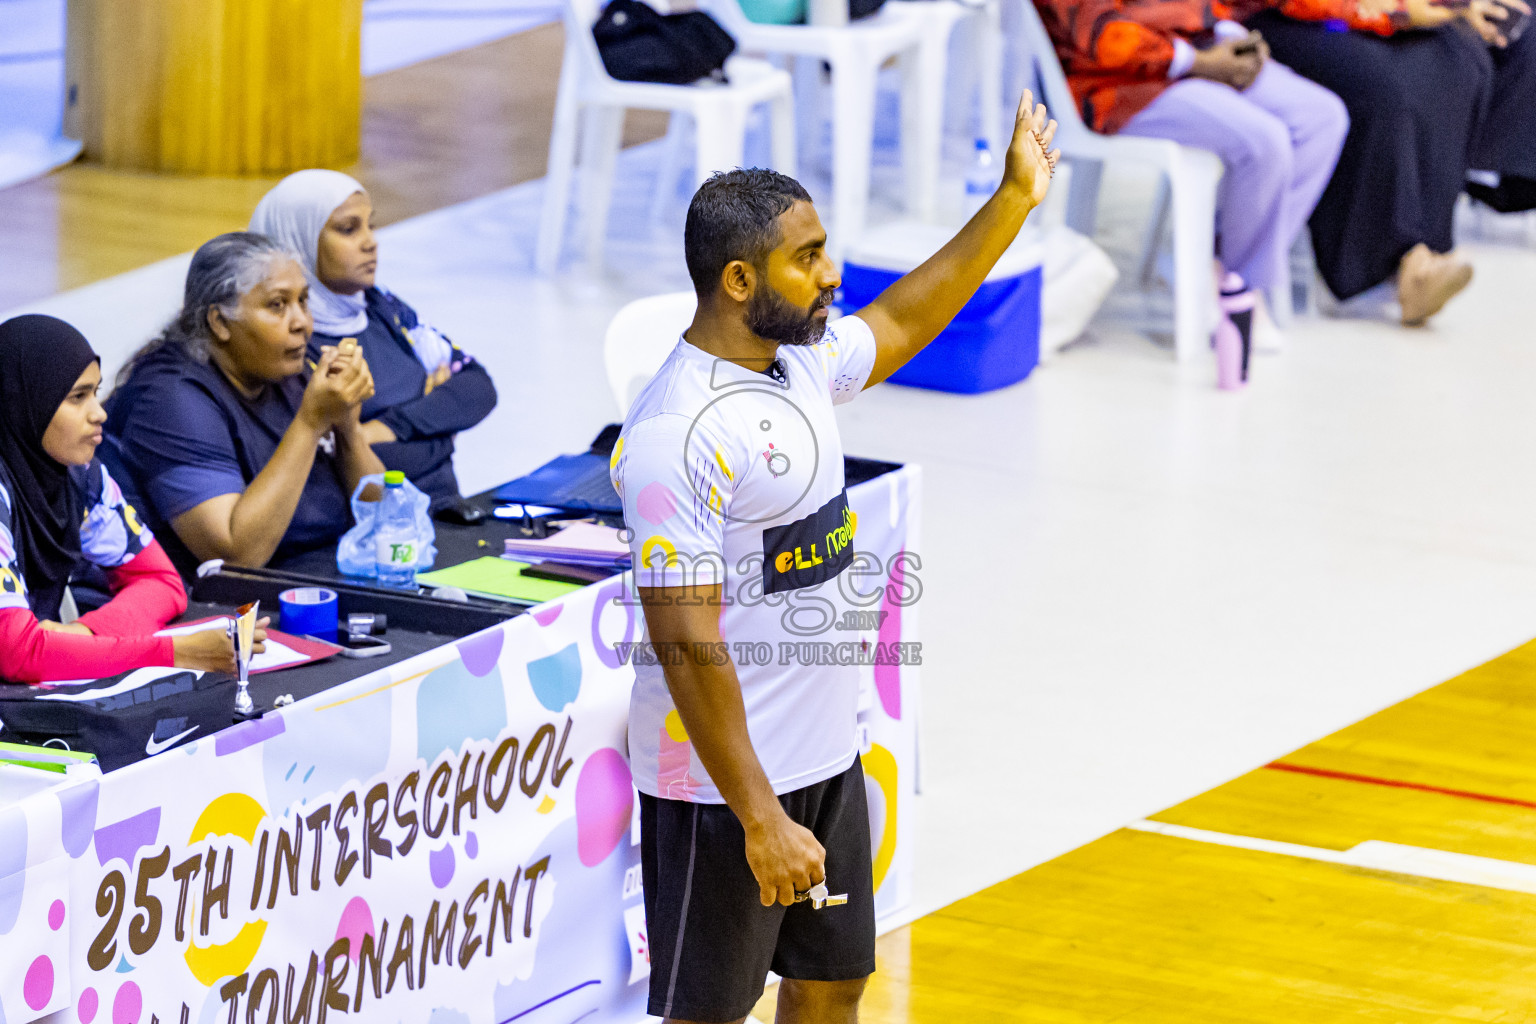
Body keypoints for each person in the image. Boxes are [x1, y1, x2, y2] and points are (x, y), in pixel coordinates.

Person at [608, 96, 1058, 1024]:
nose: (832, 272)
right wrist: (759, 817)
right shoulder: (676, 433)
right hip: (722, 790)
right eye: (807, 258)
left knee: (834, 982)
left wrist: (1014, 199)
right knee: (710, 1014)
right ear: (739, 279)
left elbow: (900, 321)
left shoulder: (796, 359)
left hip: (825, 756)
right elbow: (688, 648)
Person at [1034, 0, 1352, 338]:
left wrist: (1230, 35)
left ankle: (1220, 259)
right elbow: (1104, 36)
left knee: (1323, 119)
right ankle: (1237, 292)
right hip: (1119, 83)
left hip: (1199, 48)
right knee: (1265, 141)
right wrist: (1197, 62)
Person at [0, 315, 261, 683]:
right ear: (25, 404)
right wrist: (175, 653)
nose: (99, 413)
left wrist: (88, 633)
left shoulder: (81, 477)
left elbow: (163, 581)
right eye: (77, 397)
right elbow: (17, 654)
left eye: (95, 392)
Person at [106, 232, 386, 573]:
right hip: (215, 607)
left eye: (303, 301)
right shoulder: (170, 398)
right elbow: (235, 555)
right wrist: (311, 422)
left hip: (320, 572)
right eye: (277, 305)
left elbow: (381, 516)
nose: (302, 323)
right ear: (220, 322)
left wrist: (346, 425)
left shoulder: (289, 364)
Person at [1237, 0, 1533, 322]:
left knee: (1460, 57)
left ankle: (1426, 254)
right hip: (1284, 16)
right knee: (1388, 89)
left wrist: (1451, 5)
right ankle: (1392, 266)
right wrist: (1393, 12)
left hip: (1374, 10)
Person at [249, 170, 497, 511]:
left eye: (370, 225)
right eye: (348, 229)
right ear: (298, 241)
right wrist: (440, 431)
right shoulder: (290, 343)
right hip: (366, 537)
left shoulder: (380, 306)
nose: (370, 241)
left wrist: (382, 428)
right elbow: (338, 469)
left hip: (448, 512)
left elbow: (477, 387)